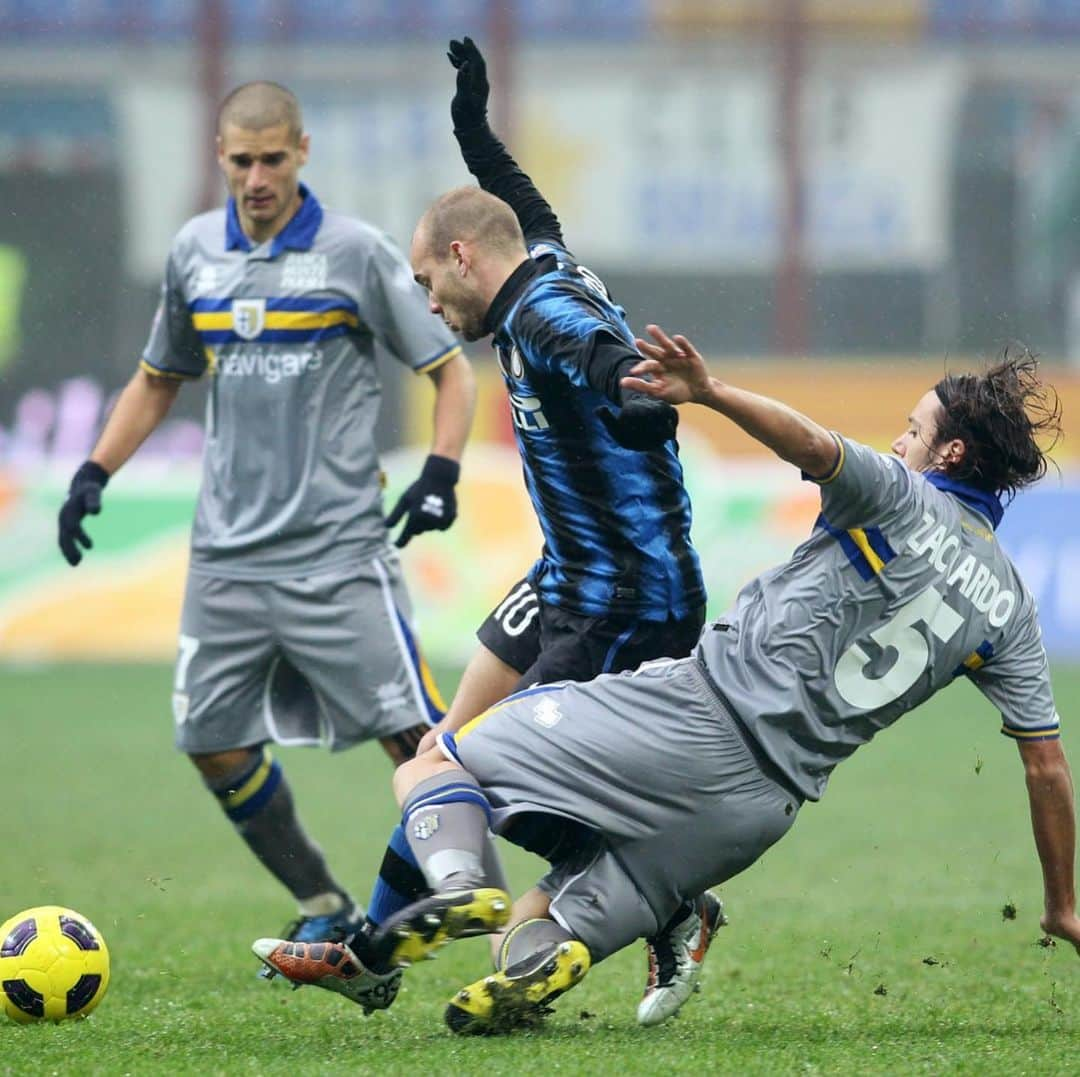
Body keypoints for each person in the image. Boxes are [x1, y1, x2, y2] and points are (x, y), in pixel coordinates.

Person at [254, 325, 1077, 1034]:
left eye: (912, 429)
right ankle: (556, 951)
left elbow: (810, 444)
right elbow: (1045, 766)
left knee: (437, 760)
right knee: (544, 923)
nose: (900, 442)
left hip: (695, 715)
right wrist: (1062, 904)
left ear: (952, 453)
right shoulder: (1008, 603)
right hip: (759, 811)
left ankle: (462, 886)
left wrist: (709, 391)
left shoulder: (900, 498)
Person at [55, 82, 476, 949]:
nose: (256, 177)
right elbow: (158, 378)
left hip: (337, 552)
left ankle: (484, 897)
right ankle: (327, 904)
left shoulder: (355, 253)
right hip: (227, 560)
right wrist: (94, 470)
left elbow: (450, 368)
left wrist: (440, 469)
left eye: (272, 159)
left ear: (302, 152)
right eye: (242, 160)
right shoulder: (195, 253)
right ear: (220, 157)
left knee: (420, 739)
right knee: (212, 743)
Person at [344, 38, 714, 1024]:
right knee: (444, 746)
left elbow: (601, 358)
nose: (429, 304)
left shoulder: (545, 308)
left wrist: (637, 400)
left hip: (628, 596)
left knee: (476, 777)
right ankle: (372, 950)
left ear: (464, 259)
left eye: (430, 283)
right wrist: (471, 125)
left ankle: (663, 890)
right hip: (569, 574)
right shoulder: (533, 257)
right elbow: (511, 197)